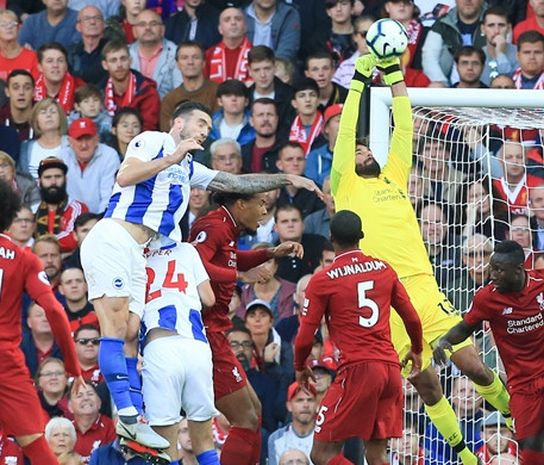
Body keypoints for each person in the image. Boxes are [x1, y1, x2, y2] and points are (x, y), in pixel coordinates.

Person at [80, 100, 320, 452]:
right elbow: (125, 176)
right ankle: (129, 416)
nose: (208, 130)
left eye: (209, 125)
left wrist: (285, 178)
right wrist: (172, 157)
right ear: (179, 123)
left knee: (131, 332)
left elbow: (235, 182)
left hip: (138, 252)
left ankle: (134, 419)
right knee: (116, 328)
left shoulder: (189, 166)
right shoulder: (153, 141)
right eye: (202, 122)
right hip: (115, 237)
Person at [331, 53, 512, 465]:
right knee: (426, 385)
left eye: (364, 149)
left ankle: (512, 414)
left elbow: (405, 125)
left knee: (474, 367)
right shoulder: (346, 186)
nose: (362, 153)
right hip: (386, 302)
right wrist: (360, 78)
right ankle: (465, 456)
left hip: (424, 289)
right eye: (358, 152)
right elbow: (345, 130)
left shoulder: (393, 173)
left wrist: (394, 75)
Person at [434, 240, 544, 465]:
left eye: (499, 269)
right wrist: (444, 342)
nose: (493, 274)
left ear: (518, 269)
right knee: (531, 444)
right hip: (521, 381)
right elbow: (464, 327)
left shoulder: (543, 280)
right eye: (492, 268)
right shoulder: (486, 298)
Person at [294, 210, 424, 465]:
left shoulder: (323, 280)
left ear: (331, 238)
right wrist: (416, 348)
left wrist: (300, 367)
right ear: (361, 237)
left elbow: (304, 338)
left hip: (358, 370)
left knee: (321, 454)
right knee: (376, 456)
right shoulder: (384, 269)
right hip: (390, 371)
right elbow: (412, 318)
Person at [189, 189, 306, 465]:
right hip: (206, 333)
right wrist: (241, 275)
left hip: (217, 330)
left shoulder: (227, 226)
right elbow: (195, 262)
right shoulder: (212, 225)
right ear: (241, 204)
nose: (266, 212)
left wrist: (270, 252)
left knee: (254, 413)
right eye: (261, 204)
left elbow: (231, 258)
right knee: (245, 418)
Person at [0, 179, 84, 465]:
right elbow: (56, 312)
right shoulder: (23, 258)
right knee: (36, 445)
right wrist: (73, 368)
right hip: (6, 363)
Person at [140, 239, 219, 465]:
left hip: (160, 347)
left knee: (165, 444)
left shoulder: (134, 255)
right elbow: (209, 298)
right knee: (204, 439)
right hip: (196, 346)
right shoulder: (187, 250)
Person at [159, 41, 219, 132]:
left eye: (195, 57)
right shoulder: (170, 99)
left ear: (204, 63)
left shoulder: (218, 92)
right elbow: (167, 134)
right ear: (177, 64)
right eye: (184, 58)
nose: (190, 62)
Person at [128, 9, 180, 99]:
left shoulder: (176, 53)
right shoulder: (125, 54)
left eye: (153, 24)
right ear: (134, 31)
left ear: (163, 30)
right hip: (130, 110)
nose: (148, 28)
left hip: (165, 110)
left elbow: (179, 91)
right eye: (142, 24)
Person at [267, 382, 317, 465]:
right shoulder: (276, 438)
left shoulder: (327, 438)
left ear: (317, 405)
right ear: (289, 406)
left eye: (310, 400)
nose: (306, 405)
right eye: (300, 400)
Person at [206, 7, 252, 85]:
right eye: (227, 20)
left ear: (245, 27)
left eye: (238, 19)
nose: (233, 22)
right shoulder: (209, 54)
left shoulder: (255, 53)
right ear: (220, 29)